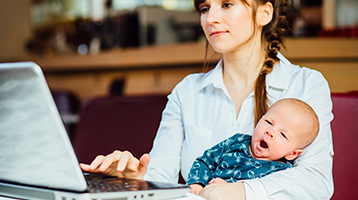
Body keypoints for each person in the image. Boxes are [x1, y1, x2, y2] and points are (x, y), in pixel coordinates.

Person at [80, 0, 334, 199]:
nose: (210, 18)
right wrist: (132, 178)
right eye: (204, 8)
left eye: (226, 4)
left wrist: (241, 192)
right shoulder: (186, 91)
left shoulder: (305, 84)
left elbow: (316, 182)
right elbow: (161, 176)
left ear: (264, 14)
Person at [187, 98, 319, 194]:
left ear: (293, 154)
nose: (270, 131)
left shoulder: (282, 172)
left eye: (283, 135)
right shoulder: (236, 141)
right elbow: (205, 160)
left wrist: (228, 191)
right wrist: (197, 183)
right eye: (268, 122)